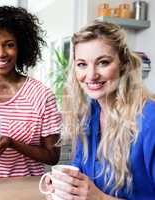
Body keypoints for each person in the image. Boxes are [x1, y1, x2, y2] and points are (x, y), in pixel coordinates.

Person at [45, 21, 155, 199]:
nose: (91, 75)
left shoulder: (150, 121)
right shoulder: (90, 114)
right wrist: (66, 183)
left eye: (103, 62)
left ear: (124, 64)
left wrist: (100, 198)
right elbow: (79, 169)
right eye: (82, 64)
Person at [0, 6, 62, 180]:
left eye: (9, 45)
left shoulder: (41, 96)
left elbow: (53, 157)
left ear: (20, 47)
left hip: (24, 191)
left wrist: (12, 143)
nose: (0, 53)